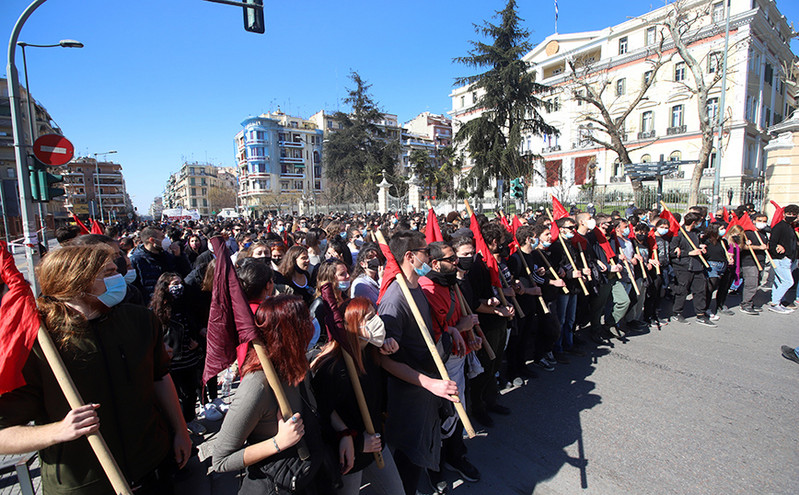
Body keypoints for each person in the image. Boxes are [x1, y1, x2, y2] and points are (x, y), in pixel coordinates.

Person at [0, 244, 191, 494]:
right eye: (109, 272)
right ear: (78, 282)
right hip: (84, 483)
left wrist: (180, 431)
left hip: (152, 466)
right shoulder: (38, 343)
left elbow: (159, 377)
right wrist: (57, 431)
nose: (120, 277)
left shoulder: (140, 320)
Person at [212, 295, 332, 494]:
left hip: (307, 478)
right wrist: (277, 443)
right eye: (306, 320)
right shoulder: (257, 386)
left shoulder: (298, 365)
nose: (312, 324)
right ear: (292, 332)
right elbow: (221, 459)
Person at [378, 230, 457, 495]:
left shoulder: (417, 289)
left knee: (422, 450)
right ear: (410, 257)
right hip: (410, 393)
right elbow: (385, 361)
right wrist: (429, 383)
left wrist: (452, 332)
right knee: (407, 462)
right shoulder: (395, 299)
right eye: (426, 251)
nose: (430, 256)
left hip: (428, 387)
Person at [310, 297, 405, 495]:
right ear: (352, 326)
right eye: (369, 318)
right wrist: (355, 441)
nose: (377, 322)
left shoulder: (372, 353)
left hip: (377, 441)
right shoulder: (333, 369)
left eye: (375, 314)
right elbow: (321, 415)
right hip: (349, 455)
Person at [150, 272, 206, 434]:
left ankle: (190, 419)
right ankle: (176, 424)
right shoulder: (156, 311)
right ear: (165, 287)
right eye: (174, 284)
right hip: (172, 360)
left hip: (189, 356)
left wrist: (196, 339)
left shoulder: (186, 304)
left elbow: (193, 324)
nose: (179, 287)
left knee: (190, 392)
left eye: (180, 283)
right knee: (173, 395)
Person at [670, 212, 712, 326]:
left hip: (697, 265)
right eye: (698, 222)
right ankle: (677, 312)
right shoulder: (678, 234)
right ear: (694, 222)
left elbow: (697, 245)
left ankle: (700, 314)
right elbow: (671, 253)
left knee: (700, 290)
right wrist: (688, 253)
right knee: (682, 291)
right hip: (683, 266)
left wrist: (701, 247)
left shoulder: (696, 233)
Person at [130, 227, 179, 304]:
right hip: (149, 305)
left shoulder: (167, 256)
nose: (166, 239)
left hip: (168, 303)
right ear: (152, 240)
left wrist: (179, 256)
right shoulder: (136, 260)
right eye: (162, 237)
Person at [768, 204, 799, 313]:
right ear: (784, 214)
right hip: (780, 259)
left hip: (788, 259)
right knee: (788, 281)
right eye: (789, 214)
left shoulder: (790, 227)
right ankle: (775, 303)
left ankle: (776, 302)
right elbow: (772, 244)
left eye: (794, 214)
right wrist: (779, 250)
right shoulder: (779, 227)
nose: (791, 216)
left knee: (779, 281)